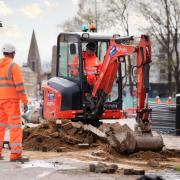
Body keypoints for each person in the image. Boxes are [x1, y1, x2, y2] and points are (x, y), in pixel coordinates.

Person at [0, 44, 29, 162]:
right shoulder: (13, 66)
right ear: (13, 53)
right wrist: (25, 101)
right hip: (11, 102)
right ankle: (15, 155)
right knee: (15, 127)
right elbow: (20, 86)